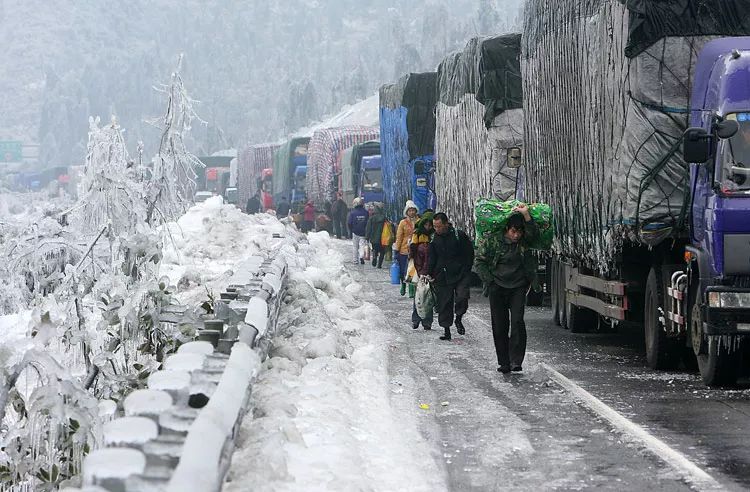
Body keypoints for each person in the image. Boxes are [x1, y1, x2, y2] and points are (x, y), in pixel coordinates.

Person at [474, 204, 539, 374]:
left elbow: (534, 234)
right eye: (513, 232)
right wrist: (490, 280)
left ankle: (516, 360)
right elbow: (479, 262)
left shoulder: (524, 242)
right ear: (506, 230)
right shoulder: (493, 242)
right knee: (499, 325)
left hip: (517, 287)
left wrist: (526, 215)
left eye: (519, 232)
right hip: (497, 287)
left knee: (517, 321)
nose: (516, 235)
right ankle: (504, 361)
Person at [426, 212, 474, 341]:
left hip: (460, 273)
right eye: (435, 227)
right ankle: (446, 330)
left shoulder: (459, 235)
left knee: (462, 297)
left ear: (446, 223)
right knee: (444, 303)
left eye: (439, 226)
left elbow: (469, 253)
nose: (437, 229)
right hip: (442, 275)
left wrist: (467, 269)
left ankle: (459, 318)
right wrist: (428, 273)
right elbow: (431, 258)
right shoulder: (433, 239)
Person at [409, 212, 434, 330]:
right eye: (426, 225)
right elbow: (412, 254)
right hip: (418, 269)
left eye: (430, 225)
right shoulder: (417, 235)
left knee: (428, 296)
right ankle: (416, 319)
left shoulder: (434, 236)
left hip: (430, 270)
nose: (428, 227)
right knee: (419, 295)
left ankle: (427, 321)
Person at [394, 200, 419, 286]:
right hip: (404, 249)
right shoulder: (403, 223)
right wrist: (396, 249)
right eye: (410, 210)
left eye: (413, 210)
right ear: (407, 212)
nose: (412, 212)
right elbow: (399, 237)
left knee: (413, 269)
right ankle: (403, 285)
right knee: (403, 269)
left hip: (416, 249)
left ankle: (412, 287)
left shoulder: (419, 221)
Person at [365, 203, 388, 268]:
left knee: (375, 249)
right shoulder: (384, 218)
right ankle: (379, 265)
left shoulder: (371, 218)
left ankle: (374, 257)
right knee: (382, 251)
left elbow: (368, 228)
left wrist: (367, 237)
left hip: (373, 238)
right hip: (383, 238)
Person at [347, 198, 369, 264]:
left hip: (355, 232)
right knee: (362, 245)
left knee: (355, 246)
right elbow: (368, 222)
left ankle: (355, 260)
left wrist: (351, 230)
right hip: (363, 232)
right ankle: (361, 256)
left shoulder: (352, 213)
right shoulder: (366, 212)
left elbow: (349, 223)